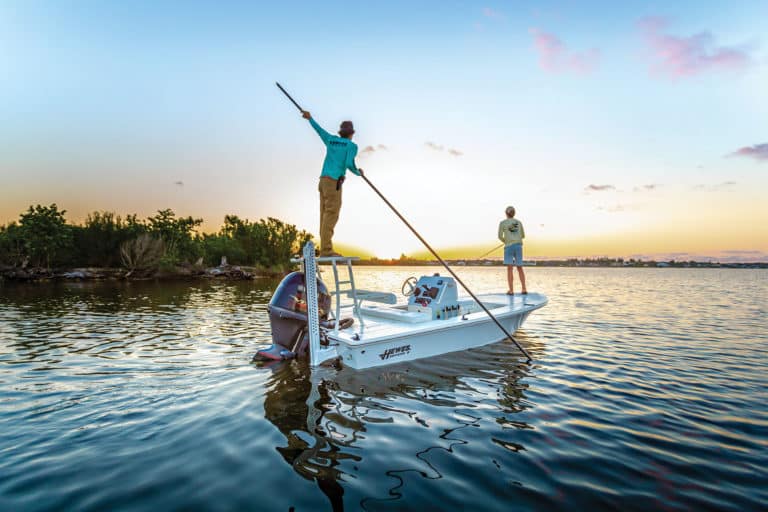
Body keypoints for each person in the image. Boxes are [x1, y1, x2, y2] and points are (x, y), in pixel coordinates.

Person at [301, 110, 363, 257]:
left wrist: (310, 118)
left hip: (322, 181)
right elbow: (349, 163)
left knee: (324, 214)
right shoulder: (351, 146)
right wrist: (359, 172)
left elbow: (319, 130)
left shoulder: (331, 140)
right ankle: (326, 250)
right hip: (333, 182)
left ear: (341, 132)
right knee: (332, 214)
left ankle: (324, 248)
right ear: (351, 133)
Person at [498, 206, 527, 295]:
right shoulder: (518, 222)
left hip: (509, 247)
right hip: (518, 246)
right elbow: (523, 236)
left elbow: (500, 236)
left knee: (510, 269)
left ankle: (511, 290)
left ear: (506, 213)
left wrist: (506, 241)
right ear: (514, 213)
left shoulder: (502, 223)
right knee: (520, 268)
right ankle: (524, 289)